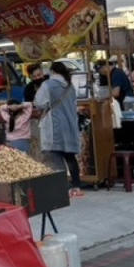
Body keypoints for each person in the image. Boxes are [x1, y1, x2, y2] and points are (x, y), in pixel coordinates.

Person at [35, 61, 83, 198]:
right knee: (70, 157)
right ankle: (76, 186)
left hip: (54, 125)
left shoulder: (48, 85)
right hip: (69, 124)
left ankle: (64, 188)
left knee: (56, 158)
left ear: (52, 71)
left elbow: (39, 103)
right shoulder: (70, 86)